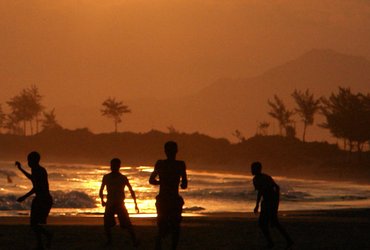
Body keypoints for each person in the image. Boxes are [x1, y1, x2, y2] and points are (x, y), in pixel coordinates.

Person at [149, 141, 188, 250]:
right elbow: (184, 184)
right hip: (173, 199)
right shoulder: (180, 164)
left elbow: (151, 180)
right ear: (177, 151)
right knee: (175, 227)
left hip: (163, 199)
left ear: (165, 151)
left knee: (162, 227)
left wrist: (162, 182)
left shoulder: (160, 163)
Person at [251, 161, 293, 249]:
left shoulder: (262, 178)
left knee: (268, 223)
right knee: (269, 223)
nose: (251, 170)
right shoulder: (259, 178)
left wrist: (258, 205)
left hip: (269, 202)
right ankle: (285, 240)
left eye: (253, 168)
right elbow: (265, 191)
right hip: (267, 202)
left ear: (258, 169)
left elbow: (268, 190)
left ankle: (276, 242)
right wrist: (258, 205)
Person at [16, 151, 53, 250]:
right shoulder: (37, 170)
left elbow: (36, 188)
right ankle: (41, 244)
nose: (28, 162)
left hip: (43, 200)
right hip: (43, 199)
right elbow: (32, 178)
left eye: (29, 160)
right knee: (35, 224)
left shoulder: (38, 170)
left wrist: (24, 197)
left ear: (34, 161)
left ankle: (47, 236)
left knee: (34, 224)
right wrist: (20, 169)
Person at [99, 158, 139, 247]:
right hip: (110, 203)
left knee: (127, 224)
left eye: (115, 165)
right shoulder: (107, 177)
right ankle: (109, 241)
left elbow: (131, 190)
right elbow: (101, 190)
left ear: (118, 166)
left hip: (120, 203)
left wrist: (135, 204)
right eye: (112, 165)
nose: (113, 167)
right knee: (107, 224)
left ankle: (134, 241)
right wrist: (102, 200)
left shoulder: (123, 178)